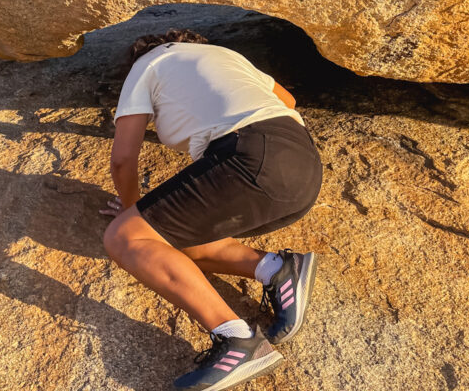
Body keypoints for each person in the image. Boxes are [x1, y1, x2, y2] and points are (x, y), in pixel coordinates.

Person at [101, 29, 324, 391]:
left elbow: (123, 160)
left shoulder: (148, 63)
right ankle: (276, 269)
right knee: (168, 239)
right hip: (304, 170)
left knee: (124, 237)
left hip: (249, 159)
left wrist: (131, 211)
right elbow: (288, 99)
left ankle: (237, 341)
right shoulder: (226, 56)